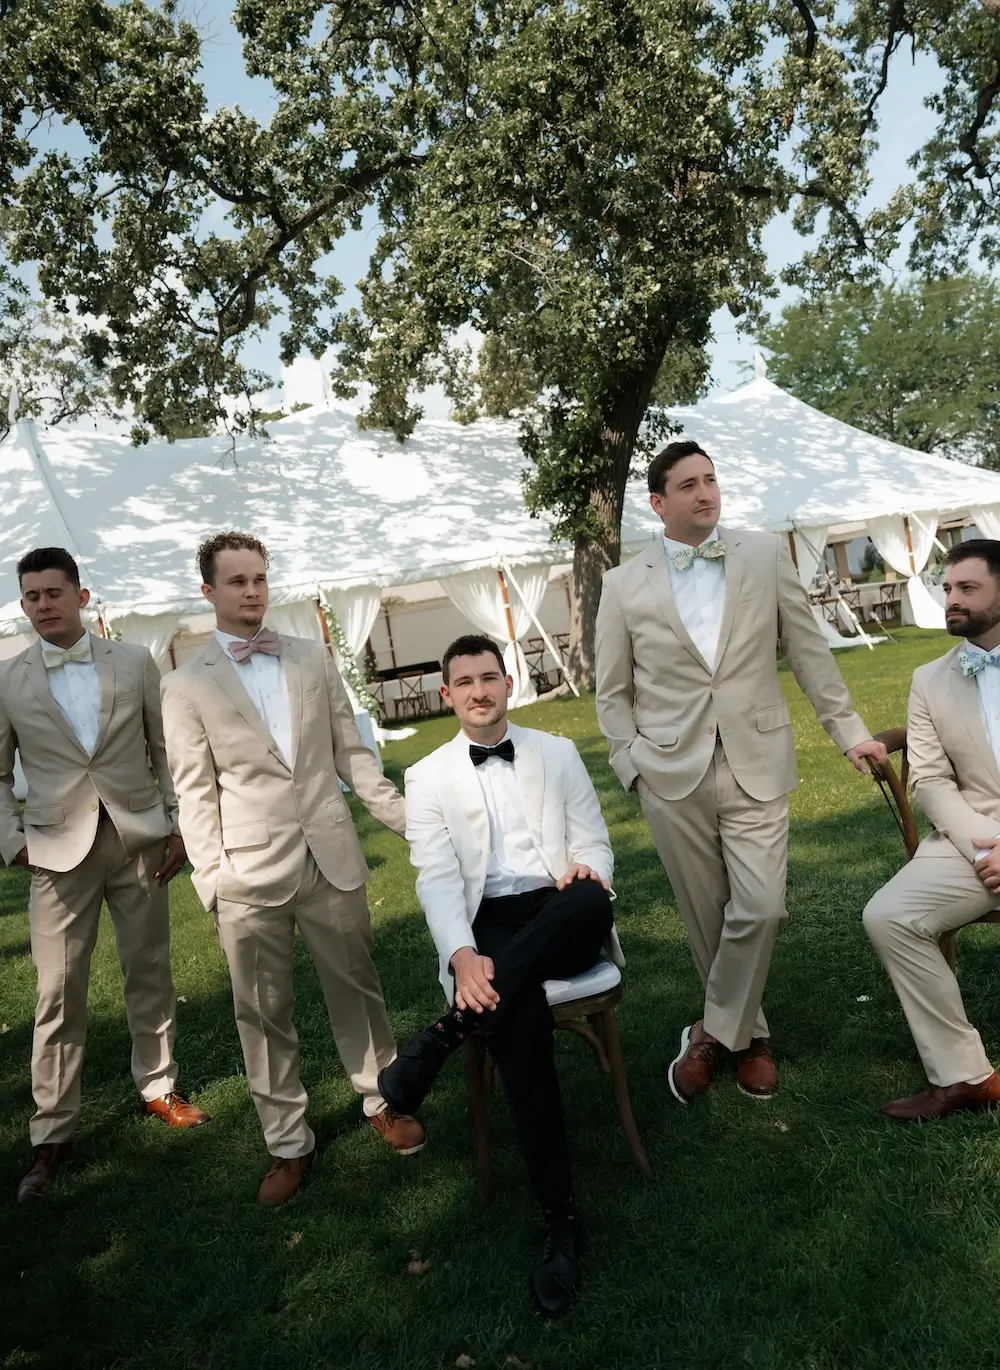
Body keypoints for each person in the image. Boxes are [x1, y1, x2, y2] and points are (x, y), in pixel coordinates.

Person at [594, 440, 885, 1104]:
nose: (706, 493)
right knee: (707, 915)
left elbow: (809, 651)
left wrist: (849, 732)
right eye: (689, 485)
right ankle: (751, 1038)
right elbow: (611, 692)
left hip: (757, 755)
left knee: (761, 905)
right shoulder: (622, 584)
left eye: (712, 480)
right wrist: (628, 762)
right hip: (670, 771)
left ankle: (711, 1031)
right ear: (658, 502)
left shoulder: (761, 554)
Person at [160, 531, 424, 1207]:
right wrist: (213, 882)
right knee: (262, 1012)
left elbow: (354, 757)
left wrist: (410, 821)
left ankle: (382, 1100)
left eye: (259, 578)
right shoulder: (185, 686)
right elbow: (195, 792)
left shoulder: (310, 658)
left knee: (358, 990)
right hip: (247, 874)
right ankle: (287, 1142)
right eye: (237, 581)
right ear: (209, 592)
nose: (252, 591)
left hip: (330, 855)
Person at [378, 634, 621, 1318]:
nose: (480, 691)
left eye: (490, 677)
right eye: (466, 681)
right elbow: (437, 878)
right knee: (513, 1017)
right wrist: (460, 956)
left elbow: (595, 838)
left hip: (562, 909)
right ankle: (561, 1218)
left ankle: (447, 1032)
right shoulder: (426, 777)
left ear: (508, 683)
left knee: (585, 897)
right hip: (490, 925)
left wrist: (589, 867)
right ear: (447, 694)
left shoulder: (558, 751)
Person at [0, 547, 208, 1205]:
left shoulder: (136, 662)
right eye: (31, 596)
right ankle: (52, 1132)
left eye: (54, 593)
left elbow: (166, 751)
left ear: (82, 598)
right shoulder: (8, 679)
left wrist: (180, 825)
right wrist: (12, 842)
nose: (43, 605)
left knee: (149, 968)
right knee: (58, 992)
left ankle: (158, 1087)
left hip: (136, 841)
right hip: (56, 853)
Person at [864, 540, 1000, 1119]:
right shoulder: (929, 679)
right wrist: (987, 846)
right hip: (973, 836)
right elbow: (932, 782)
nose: (952, 599)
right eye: (947, 588)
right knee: (889, 914)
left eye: (967, 588)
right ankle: (966, 1075)